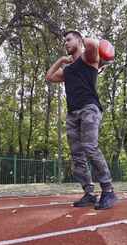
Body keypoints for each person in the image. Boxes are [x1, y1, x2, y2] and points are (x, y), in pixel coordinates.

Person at [45, 30, 117, 210]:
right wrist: (62, 60)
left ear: (78, 40)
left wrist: (81, 38)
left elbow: (93, 44)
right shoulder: (67, 70)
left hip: (89, 108)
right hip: (72, 114)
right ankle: (89, 193)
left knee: (90, 147)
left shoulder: (89, 58)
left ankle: (108, 190)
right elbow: (49, 77)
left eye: (69, 40)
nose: (66, 43)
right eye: (65, 41)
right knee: (77, 156)